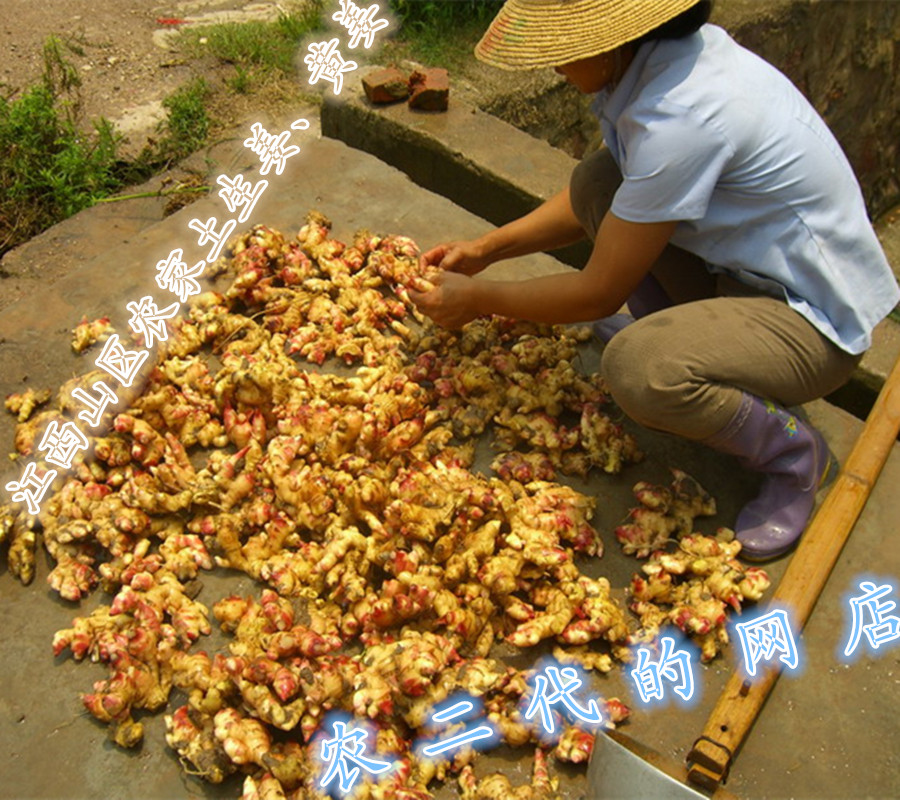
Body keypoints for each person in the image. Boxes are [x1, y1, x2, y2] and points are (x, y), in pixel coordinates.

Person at [409, 0, 900, 560]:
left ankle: (792, 455)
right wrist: (487, 249)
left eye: (565, 54)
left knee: (639, 370)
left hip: (814, 323)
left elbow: (599, 291)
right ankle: (683, 344)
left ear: (610, 45)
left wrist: (479, 299)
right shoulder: (673, 61)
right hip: (748, 276)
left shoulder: (681, 117)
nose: (556, 69)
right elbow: (598, 200)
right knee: (601, 180)